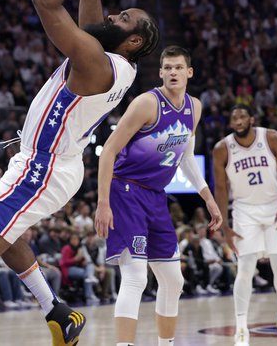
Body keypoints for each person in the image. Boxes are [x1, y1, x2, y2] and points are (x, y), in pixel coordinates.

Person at [0, 0, 159, 346]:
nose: (114, 15)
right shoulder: (110, 60)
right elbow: (92, 20)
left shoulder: (97, 63)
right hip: (46, 163)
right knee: (1, 232)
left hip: (43, 167)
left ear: (135, 41)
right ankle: (57, 312)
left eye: (124, 18)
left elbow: (45, 1)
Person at [95, 46, 222, 346]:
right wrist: (102, 203)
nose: (173, 72)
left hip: (155, 196)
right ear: (161, 72)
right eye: (168, 68)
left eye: (179, 67)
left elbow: (186, 158)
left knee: (173, 280)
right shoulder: (146, 104)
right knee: (137, 276)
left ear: (189, 72)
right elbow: (108, 152)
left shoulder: (195, 108)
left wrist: (208, 197)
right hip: (125, 191)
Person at [213, 105, 277, 346]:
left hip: (274, 208)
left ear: (251, 119)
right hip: (244, 211)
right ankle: (241, 327)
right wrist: (225, 225)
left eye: (242, 116)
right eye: (234, 117)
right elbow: (221, 188)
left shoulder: (271, 138)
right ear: (231, 123)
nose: (238, 120)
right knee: (246, 268)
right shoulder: (222, 149)